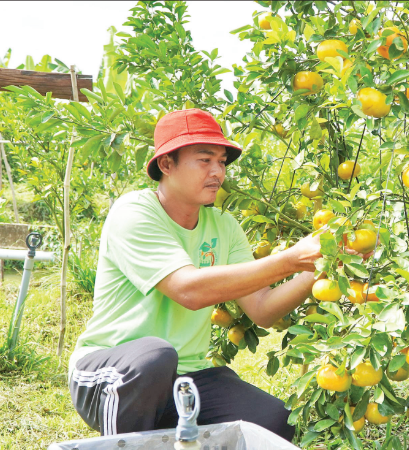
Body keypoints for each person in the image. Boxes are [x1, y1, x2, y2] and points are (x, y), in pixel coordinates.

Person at [67, 108, 331, 440]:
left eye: (221, 162)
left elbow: (263, 309)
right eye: (204, 160)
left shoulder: (224, 226)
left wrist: (319, 264)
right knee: (156, 357)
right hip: (113, 375)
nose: (217, 172)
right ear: (166, 164)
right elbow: (188, 290)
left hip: (184, 379)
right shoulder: (134, 212)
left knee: (275, 421)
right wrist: (290, 260)